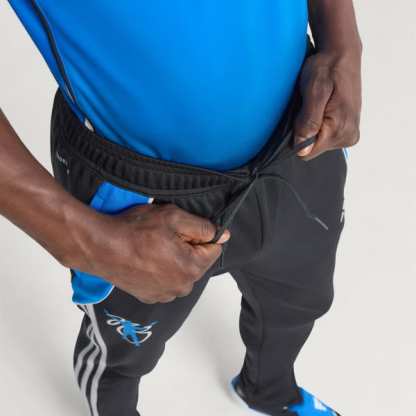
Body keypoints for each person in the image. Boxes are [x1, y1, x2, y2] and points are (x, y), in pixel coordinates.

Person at [2, 1, 362, 415]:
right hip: (138, 192)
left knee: (299, 302)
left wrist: (341, 39)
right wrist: (87, 242)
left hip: (299, 130)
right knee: (122, 354)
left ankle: (268, 391)